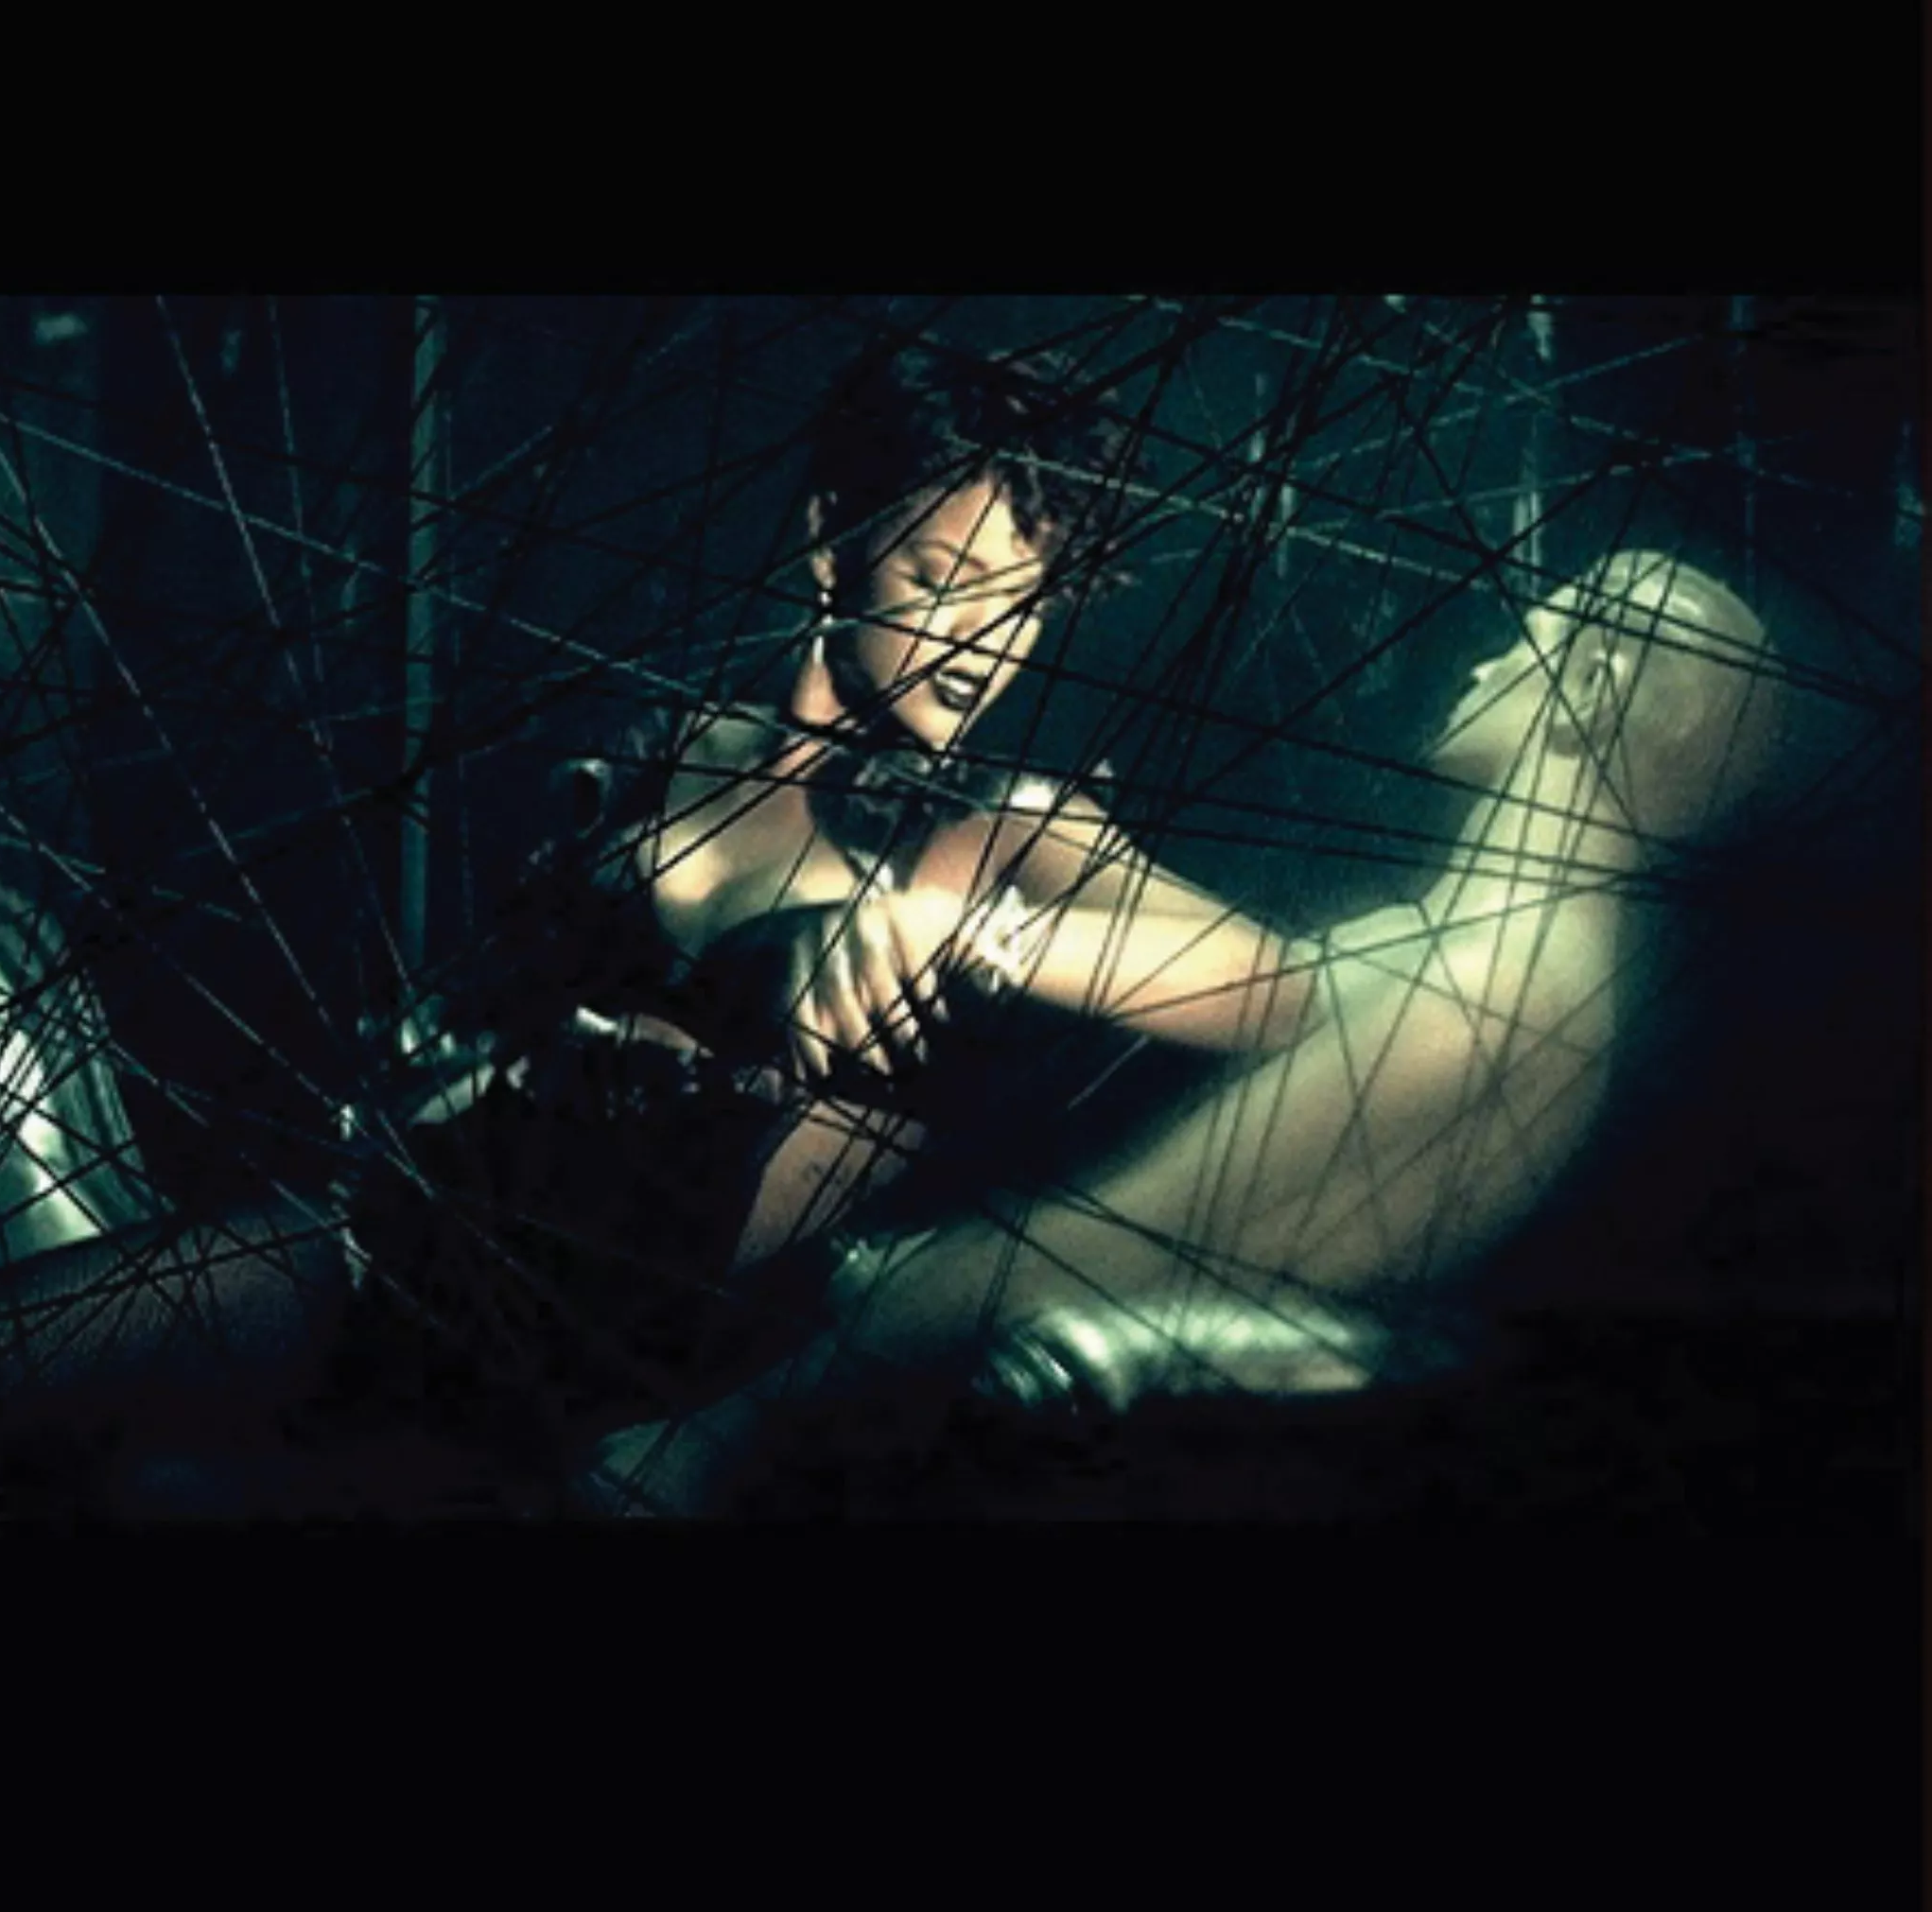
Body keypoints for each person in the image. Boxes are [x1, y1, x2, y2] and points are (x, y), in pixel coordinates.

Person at [0, 339, 1318, 1519]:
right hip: (408, 1254)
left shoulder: (1007, 826)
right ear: (831, 538)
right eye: (944, 575)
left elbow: (1274, 987)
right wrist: (465, 1052)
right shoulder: (661, 750)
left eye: (1025, 599)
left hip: (618, 1357)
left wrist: (951, 923)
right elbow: (477, 1025)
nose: (985, 638)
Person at [579, 550, 1794, 1515]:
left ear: (1598, 688)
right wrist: (1008, 898)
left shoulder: (1491, 988)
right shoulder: (1469, 948)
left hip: (915, 1383)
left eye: (1536, 632)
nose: (1487, 658)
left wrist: (738, 1419)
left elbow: (1115, 1234)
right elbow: (1263, 984)